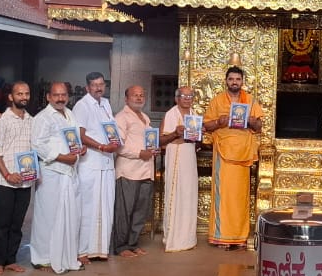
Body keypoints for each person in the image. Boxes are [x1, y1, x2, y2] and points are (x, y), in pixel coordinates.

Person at [203, 66, 263, 250]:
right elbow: (206, 125)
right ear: (226, 81)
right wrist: (219, 121)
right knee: (224, 196)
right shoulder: (217, 100)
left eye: (237, 79)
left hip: (243, 153)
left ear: (242, 81)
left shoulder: (250, 100)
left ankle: (239, 238)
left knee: (240, 197)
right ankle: (221, 237)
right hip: (224, 152)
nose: (234, 82)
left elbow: (259, 126)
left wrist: (250, 121)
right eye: (231, 79)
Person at [30, 81, 84, 273]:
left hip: (69, 171)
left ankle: (64, 255)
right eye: (56, 95)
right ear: (48, 97)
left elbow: (73, 139)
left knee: (69, 215)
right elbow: (37, 144)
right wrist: (62, 158)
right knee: (48, 215)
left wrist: (79, 149)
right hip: (52, 171)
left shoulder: (70, 114)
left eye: (63, 95)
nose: (60, 98)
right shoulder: (43, 117)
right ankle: (42, 258)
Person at [0, 81, 34, 274]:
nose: (23, 97)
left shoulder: (32, 120)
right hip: (4, 181)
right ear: (11, 97)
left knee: (17, 224)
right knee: (3, 223)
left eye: (26, 94)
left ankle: (11, 260)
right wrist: (7, 174)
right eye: (19, 94)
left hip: (25, 181)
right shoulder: (2, 121)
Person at [76, 72, 118, 261]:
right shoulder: (82, 105)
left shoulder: (106, 104)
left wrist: (116, 142)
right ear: (87, 87)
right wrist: (101, 146)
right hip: (90, 163)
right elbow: (81, 135)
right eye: (94, 85)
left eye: (101, 84)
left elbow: (111, 129)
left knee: (105, 207)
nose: (98, 88)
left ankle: (99, 249)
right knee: (88, 208)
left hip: (106, 162)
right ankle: (82, 250)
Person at [113, 85, 158, 258]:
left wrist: (153, 149)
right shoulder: (121, 117)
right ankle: (121, 246)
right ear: (126, 99)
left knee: (140, 210)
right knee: (125, 210)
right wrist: (140, 153)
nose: (139, 98)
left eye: (141, 95)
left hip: (146, 171)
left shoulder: (145, 117)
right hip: (128, 171)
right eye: (135, 95)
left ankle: (133, 244)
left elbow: (147, 141)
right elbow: (118, 146)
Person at [160, 86, 199, 253]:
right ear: (177, 98)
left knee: (189, 195)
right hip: (176, 155)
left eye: (190, 96)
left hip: (189, 157)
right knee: (175, 194)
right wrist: (176, 134)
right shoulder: (171, 114)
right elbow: (161, 140)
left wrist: (200, 134)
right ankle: (173, 238)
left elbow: (196, 140)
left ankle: (187, 238)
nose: (187, 99)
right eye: (184, 96)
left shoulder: (194, 115)